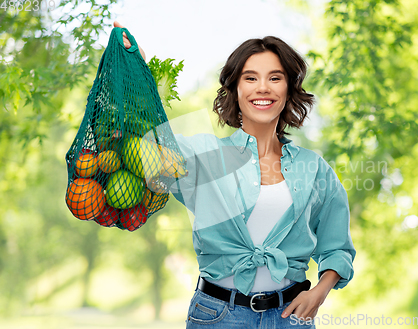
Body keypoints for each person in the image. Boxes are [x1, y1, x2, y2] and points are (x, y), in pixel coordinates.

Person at [113, 21, 355, 329]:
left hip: (290, 319)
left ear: (288, 88)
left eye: (275, 78)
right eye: (250, 78)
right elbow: (148, 144)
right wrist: (136, 68)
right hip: (218, 316)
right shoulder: (203, 155)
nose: (263, 87)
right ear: (235, 90)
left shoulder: (315, 168)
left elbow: (337, 247)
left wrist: (319, 293)